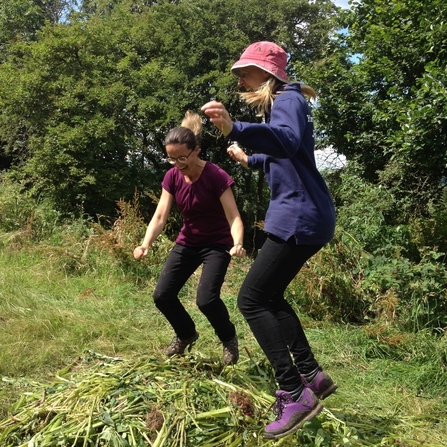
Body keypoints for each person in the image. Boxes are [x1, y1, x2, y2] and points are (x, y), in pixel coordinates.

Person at [201, 41, 337, 439]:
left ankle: (294, 393)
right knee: (271, 297)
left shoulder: (287, 100)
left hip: (298, 218)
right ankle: (313, 375)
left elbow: (288, 142)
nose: (240, 78)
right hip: (307, 216)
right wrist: (248, 158)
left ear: (268, 74)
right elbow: (286, 153)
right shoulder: (288, 102)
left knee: (252, 300)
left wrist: (236, 128)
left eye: (245, 71)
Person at [133, 111, 246, 366]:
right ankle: (186, 334)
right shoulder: (172, 176)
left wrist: (237, 243)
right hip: (188, 242)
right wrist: (145, 243)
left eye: (181, 157)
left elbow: (234, 217)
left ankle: (228, 339)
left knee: (206, 299)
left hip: (217, 245)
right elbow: (160, 216)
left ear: (196, 150)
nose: (176, 163)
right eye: (171, 158)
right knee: (162, 295)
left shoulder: (215, 175)